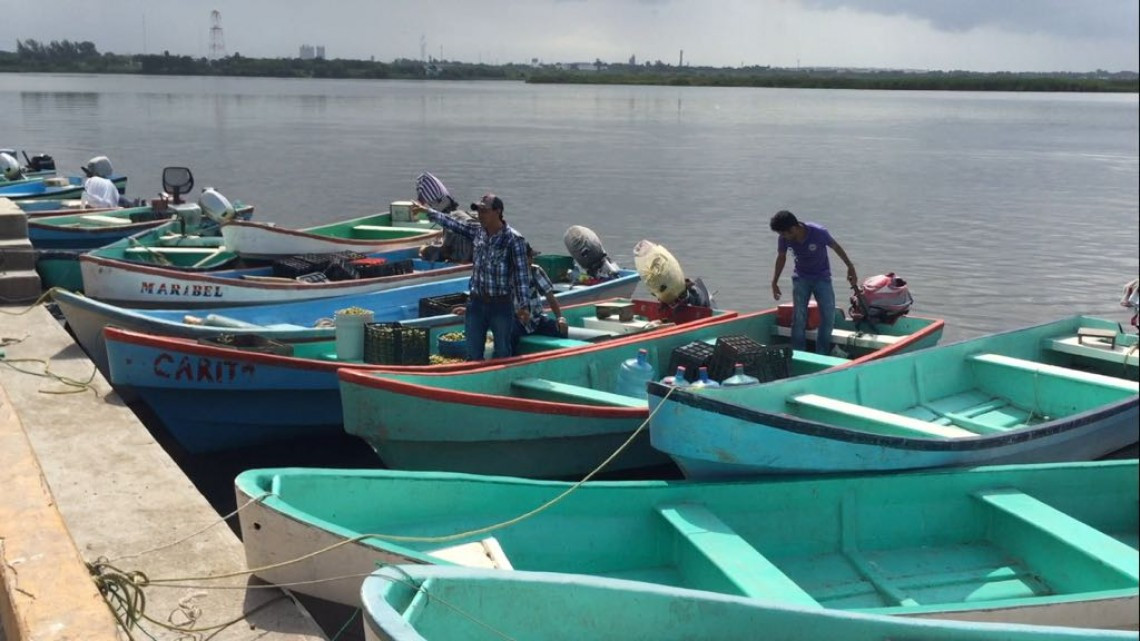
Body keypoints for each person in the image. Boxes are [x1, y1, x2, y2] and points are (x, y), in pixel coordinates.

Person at [410, 193, 530, 360]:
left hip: (501, 305)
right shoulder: (478, 232)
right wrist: (428, 211)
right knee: (473, 352)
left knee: (502, 351)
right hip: (476, 303)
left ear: (498, 212)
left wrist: (524, 305)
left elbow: (521, 274)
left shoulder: (513, 239)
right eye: (479, 211)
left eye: (484, 211)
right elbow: (453, 223)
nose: (480, 215)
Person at [769, 209, 858, 356]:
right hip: (801, 279)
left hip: (822, 278)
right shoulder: (784, 239)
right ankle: (798, 353)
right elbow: (781, 257)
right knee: (799, 317)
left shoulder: (818, 232)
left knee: (828, 317)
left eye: (785, 234)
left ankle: (821, 353)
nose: (783, 237)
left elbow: (836, 247)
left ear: (793, 228)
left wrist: (850, 267)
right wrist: (774, 282)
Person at [512, 243, 569, 354]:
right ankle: (511, 360)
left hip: (536, 320)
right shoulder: (506, 274)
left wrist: (560, 318)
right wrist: (517, 314)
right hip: (516, 321)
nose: (531, 261)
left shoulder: (535, 271)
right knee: (509, 334)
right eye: (528, 258)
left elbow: (550, 298)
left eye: (531, 257)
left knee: (560, 329)